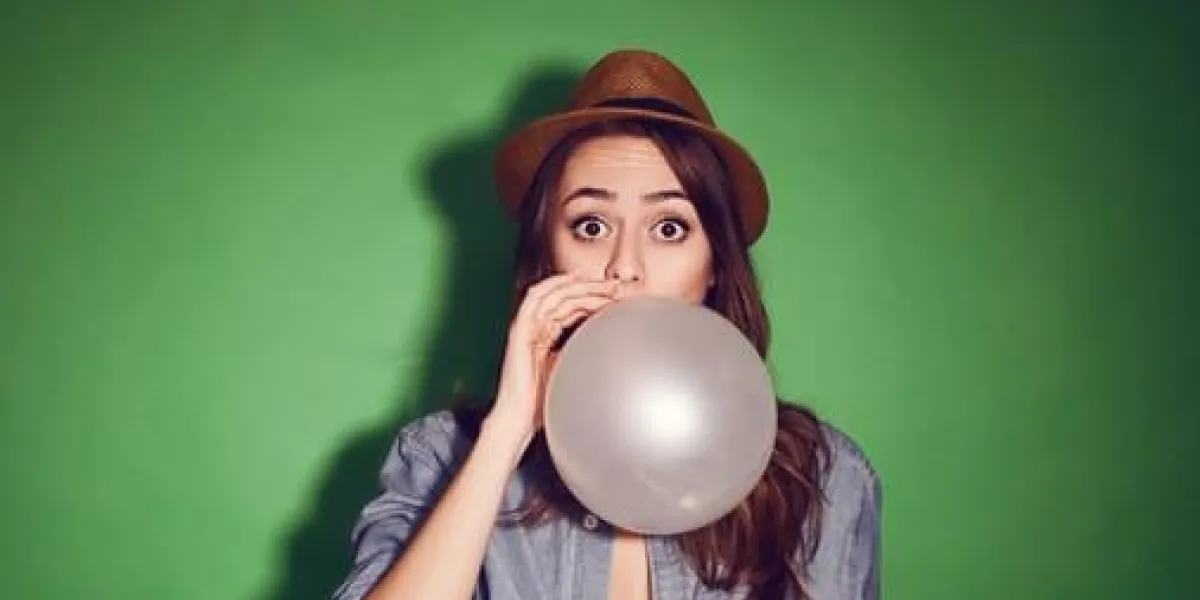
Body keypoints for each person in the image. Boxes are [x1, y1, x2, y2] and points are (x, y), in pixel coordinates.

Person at [333, 49, 882, 600]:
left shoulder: (824, 479)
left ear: (715, 263)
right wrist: (506, 436)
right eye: (591, 225)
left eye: (669, 227)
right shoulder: (438, 458)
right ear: (548, 255)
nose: (626, 265)